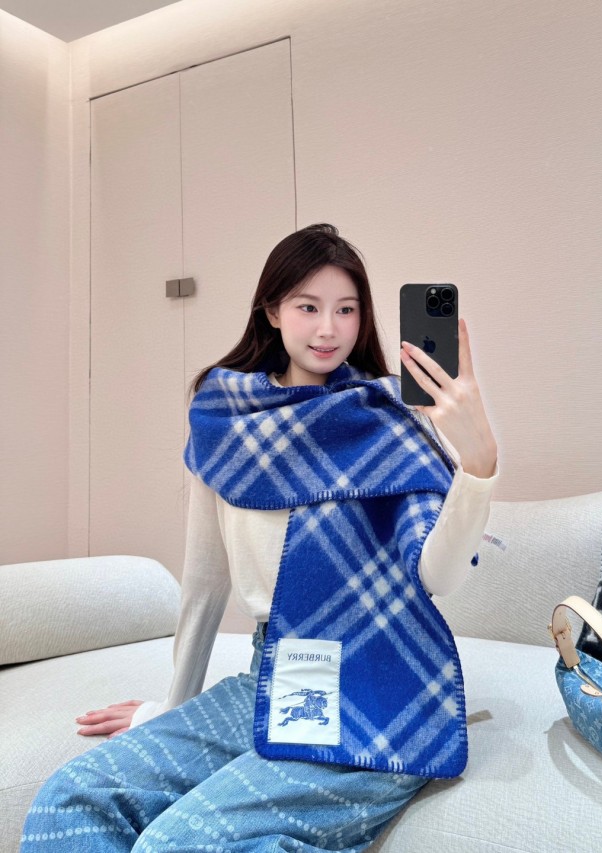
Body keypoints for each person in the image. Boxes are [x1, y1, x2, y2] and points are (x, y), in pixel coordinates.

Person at [21, 224, 498, 852]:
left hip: (378, 686)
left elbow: (438, 577)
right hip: (270, 677)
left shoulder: (388, 417)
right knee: (70, 800)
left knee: (176, 844)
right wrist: (172, 707)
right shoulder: (223, 415)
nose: (328, 329)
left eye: (347, 309)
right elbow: (205, 580)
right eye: (308, 306)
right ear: (272, 311)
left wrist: (477, 463)